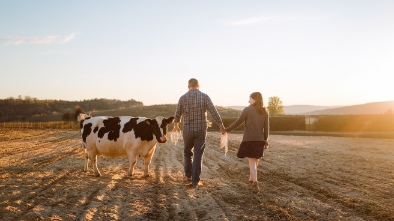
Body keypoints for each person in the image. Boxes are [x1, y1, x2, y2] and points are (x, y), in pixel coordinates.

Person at [173, 78, 226, 188]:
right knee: (198, 154)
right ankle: (195, 180)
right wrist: (221, 125)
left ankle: (187, 175)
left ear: (188, 86)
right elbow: (214, 112)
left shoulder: (183, 98)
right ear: (198, 86)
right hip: (201, 130)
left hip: (187, 130)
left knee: (187, 152)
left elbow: (177, 114)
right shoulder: (205, 97)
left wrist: (176, 125)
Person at [224, 92, 269, 192]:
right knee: (255, 160)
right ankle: (251, 179)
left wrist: (226, 129)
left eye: (250, 99)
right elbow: (266, 129)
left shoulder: (247, 110)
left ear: (255, 99)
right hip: (260, 140)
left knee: (252, 161)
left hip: (249, 140)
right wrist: (265, 140)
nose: (248, 101)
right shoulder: (265, 111)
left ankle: (255, 182)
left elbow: (238, 122)